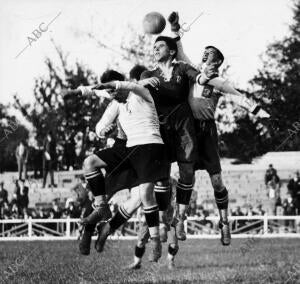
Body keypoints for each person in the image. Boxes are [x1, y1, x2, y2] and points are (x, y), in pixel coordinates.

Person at [63, 70, 169, 261]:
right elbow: (96, 98)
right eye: (109, 92)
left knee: (140, 198)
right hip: (124, 151)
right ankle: (89, 229)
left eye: (113, 89)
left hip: (146, 149)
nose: (111, 95)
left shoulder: (143, 92)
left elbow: (134, 87)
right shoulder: (116, 101)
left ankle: (107, 229)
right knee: (103, 191)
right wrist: (104, 130)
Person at [140, 35, 216, 241]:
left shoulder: (181, 68)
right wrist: (142, 82)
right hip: (161, 131)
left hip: (184, 127)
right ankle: (164, 218)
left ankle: (181, 220)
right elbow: (134, 92)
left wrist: (205, 75)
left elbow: (198, 78)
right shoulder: (148, 74)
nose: (155, 49)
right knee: (162, 178)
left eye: (160, 46)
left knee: (187, 172)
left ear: (172, 51)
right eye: (153, 47)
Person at [127, 178, 178, 270]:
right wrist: (139, 210)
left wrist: (175, 212)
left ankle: (170, 261)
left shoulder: (172, 182)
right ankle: (137, 262)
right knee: (141, 241)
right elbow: (143, 195)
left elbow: (176, 198)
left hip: (167, 214)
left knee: (172, 241)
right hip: (151, 214)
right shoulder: (150, 180)